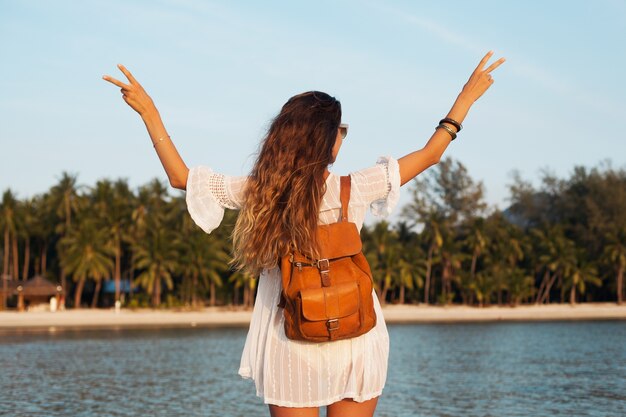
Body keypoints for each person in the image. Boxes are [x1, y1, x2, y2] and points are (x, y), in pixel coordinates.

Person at [103, 50, 505, 417]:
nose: (342, 137)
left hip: (292, 339)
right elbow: (431, 153)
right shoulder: (356, 186)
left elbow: (181, 177)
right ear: (324, 138)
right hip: (356, 335)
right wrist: (466, 98)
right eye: (340, 130)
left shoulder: (262, 192)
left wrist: (150, 114)